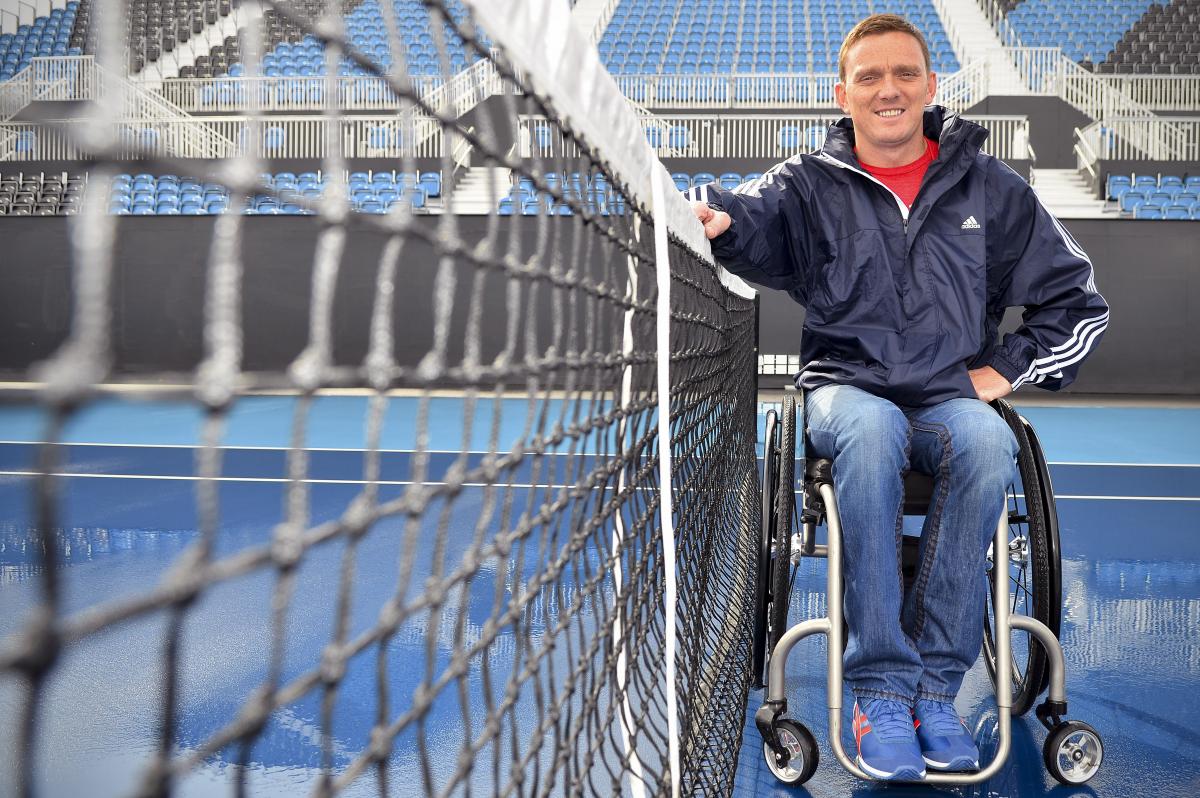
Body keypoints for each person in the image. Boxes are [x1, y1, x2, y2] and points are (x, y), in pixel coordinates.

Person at [689, 13, 1108, 782]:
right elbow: (743, 217)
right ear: (842, 93)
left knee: (988, 439)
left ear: (931, 86)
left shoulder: (993, 189)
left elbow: (1079, 306)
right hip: (846, 392)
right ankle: (879, 690)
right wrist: (712, 217)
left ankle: (933, 690)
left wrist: (1000, 373)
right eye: (870, 77)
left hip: (950, 395)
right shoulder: (807, 183)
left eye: (904, 74)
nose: (889, 90)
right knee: (874, 429)